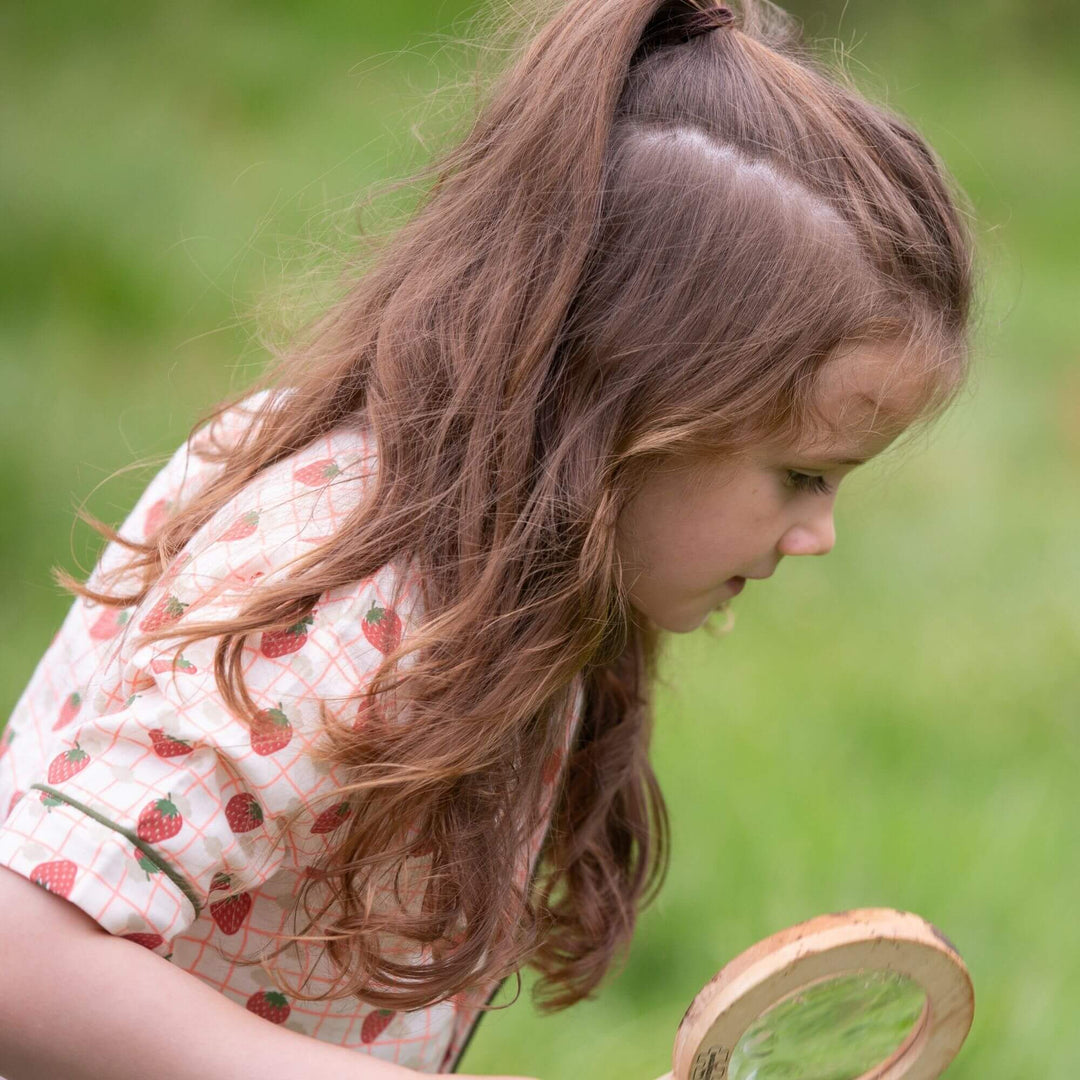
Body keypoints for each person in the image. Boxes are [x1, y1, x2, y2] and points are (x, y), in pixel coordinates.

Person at [0, 0, 977, 1077]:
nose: (819, 535)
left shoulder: (511, 558)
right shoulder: (345, 608)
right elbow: (22, 957)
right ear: (628, 406)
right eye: (800, 476)